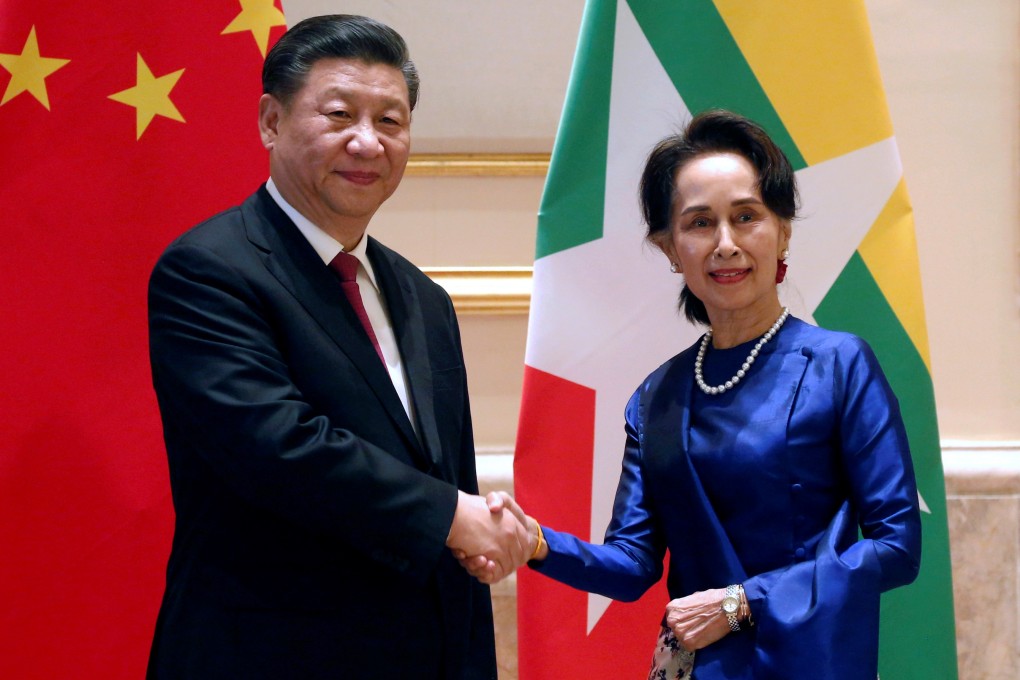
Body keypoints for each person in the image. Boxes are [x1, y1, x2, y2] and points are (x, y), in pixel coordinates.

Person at [465, 110, 922, 680]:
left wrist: (739, 603)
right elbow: (631, 564)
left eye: (746, 217)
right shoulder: (656, 397)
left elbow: (897, 546)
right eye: (700, 223)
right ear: (669, 248)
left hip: (811, 663)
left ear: (782, 231)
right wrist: (534, 541)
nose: (726, 244)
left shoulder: (839, 365)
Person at [145, 15, 530, 680]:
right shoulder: (208, 271)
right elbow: (276, 447)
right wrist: (449, 516)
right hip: (265, 657)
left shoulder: (424, 298)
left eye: (390, 120)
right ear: (271, 122)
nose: (367, 141)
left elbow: (449, 481)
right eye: (340, 115)